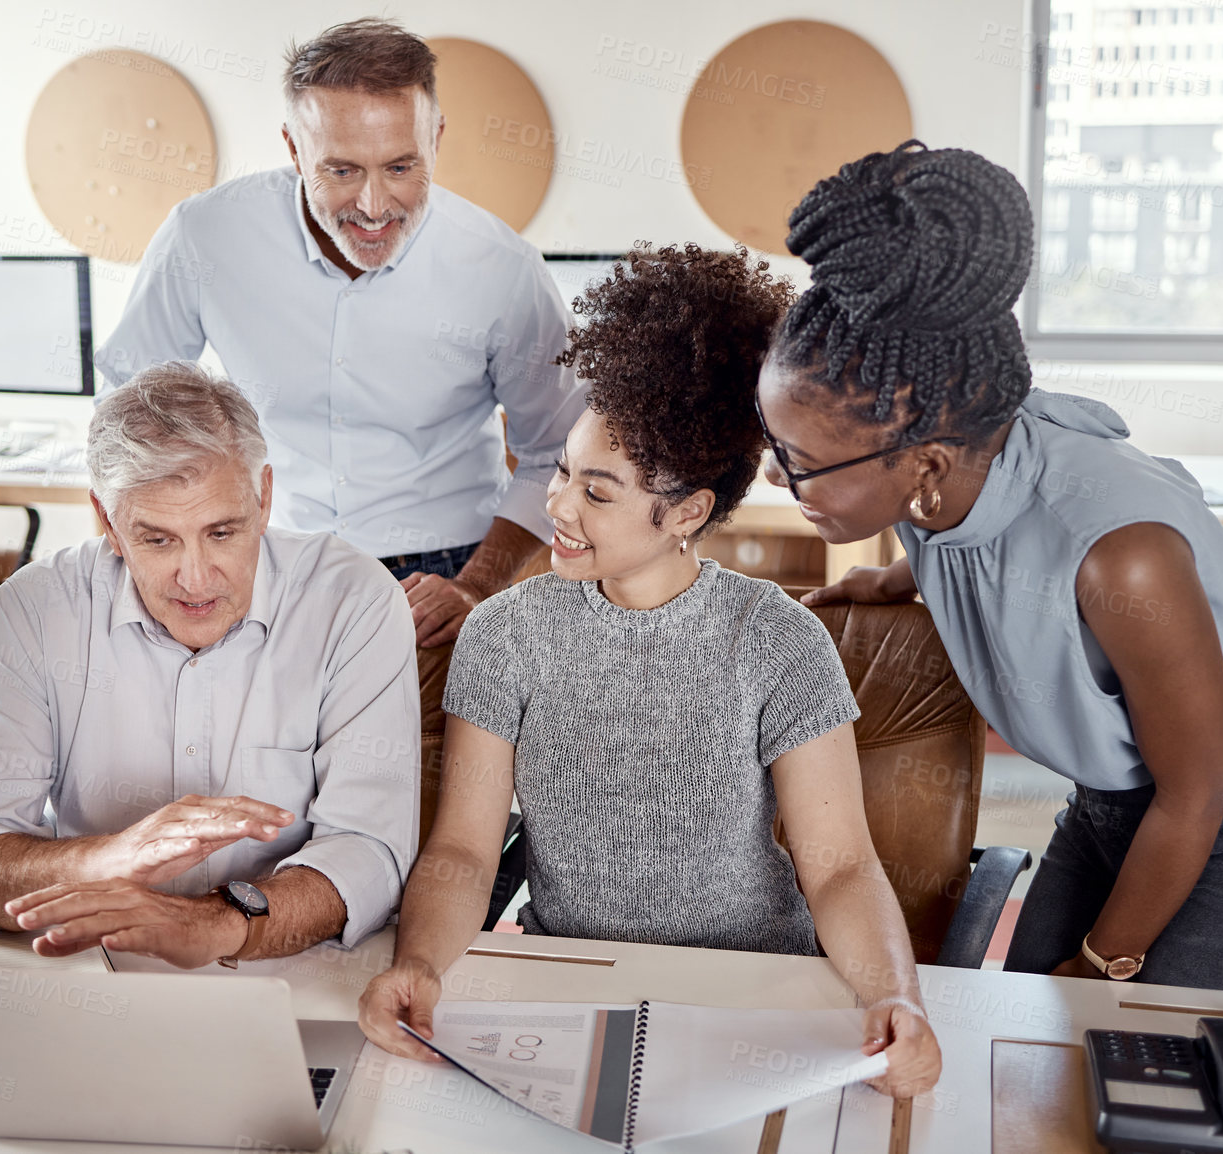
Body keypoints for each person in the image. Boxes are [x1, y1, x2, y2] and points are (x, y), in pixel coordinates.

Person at [758, 140, 1223, 996]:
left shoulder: (1122, 559)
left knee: (1135, 1077)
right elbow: (987, 558)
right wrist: (890, 581)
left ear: (922, 464)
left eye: (795, 460)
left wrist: (1099, 964)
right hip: (1119, 798)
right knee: (1025, 1045)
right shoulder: (951, 462)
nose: (775, 477)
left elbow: (1197, 791)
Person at [358, 245, 942, 1100]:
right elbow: (462, 850)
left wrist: (894, 997)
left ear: (688, 512)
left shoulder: (776, 641)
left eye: (598, 494)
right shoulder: (504, 634)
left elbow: (841, 867)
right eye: (561, 471)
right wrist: (419, 966)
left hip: (754, 988)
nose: (556, 507)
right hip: (572, 981)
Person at [94, 18, 586, 832]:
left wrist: (476, 583)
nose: (371, 204)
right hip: (262, 561)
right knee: (267, 819)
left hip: (437, 577)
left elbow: (554, 457)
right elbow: (129, 400)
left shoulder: (500, 270)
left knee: (424, 824)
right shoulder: (206, 233)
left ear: (437, 137)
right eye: (340, 170)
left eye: (402, 167)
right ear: (292, 148)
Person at [0, 361, 419, 968]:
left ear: (263, 498)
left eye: (222, 532)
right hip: (89, 973)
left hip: (291, 965)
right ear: (106, 519)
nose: (196, 578)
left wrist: (216, 922)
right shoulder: (34, 608)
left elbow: (370, 849)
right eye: (157, 540)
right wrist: (105, 862)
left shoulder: (353, 600)